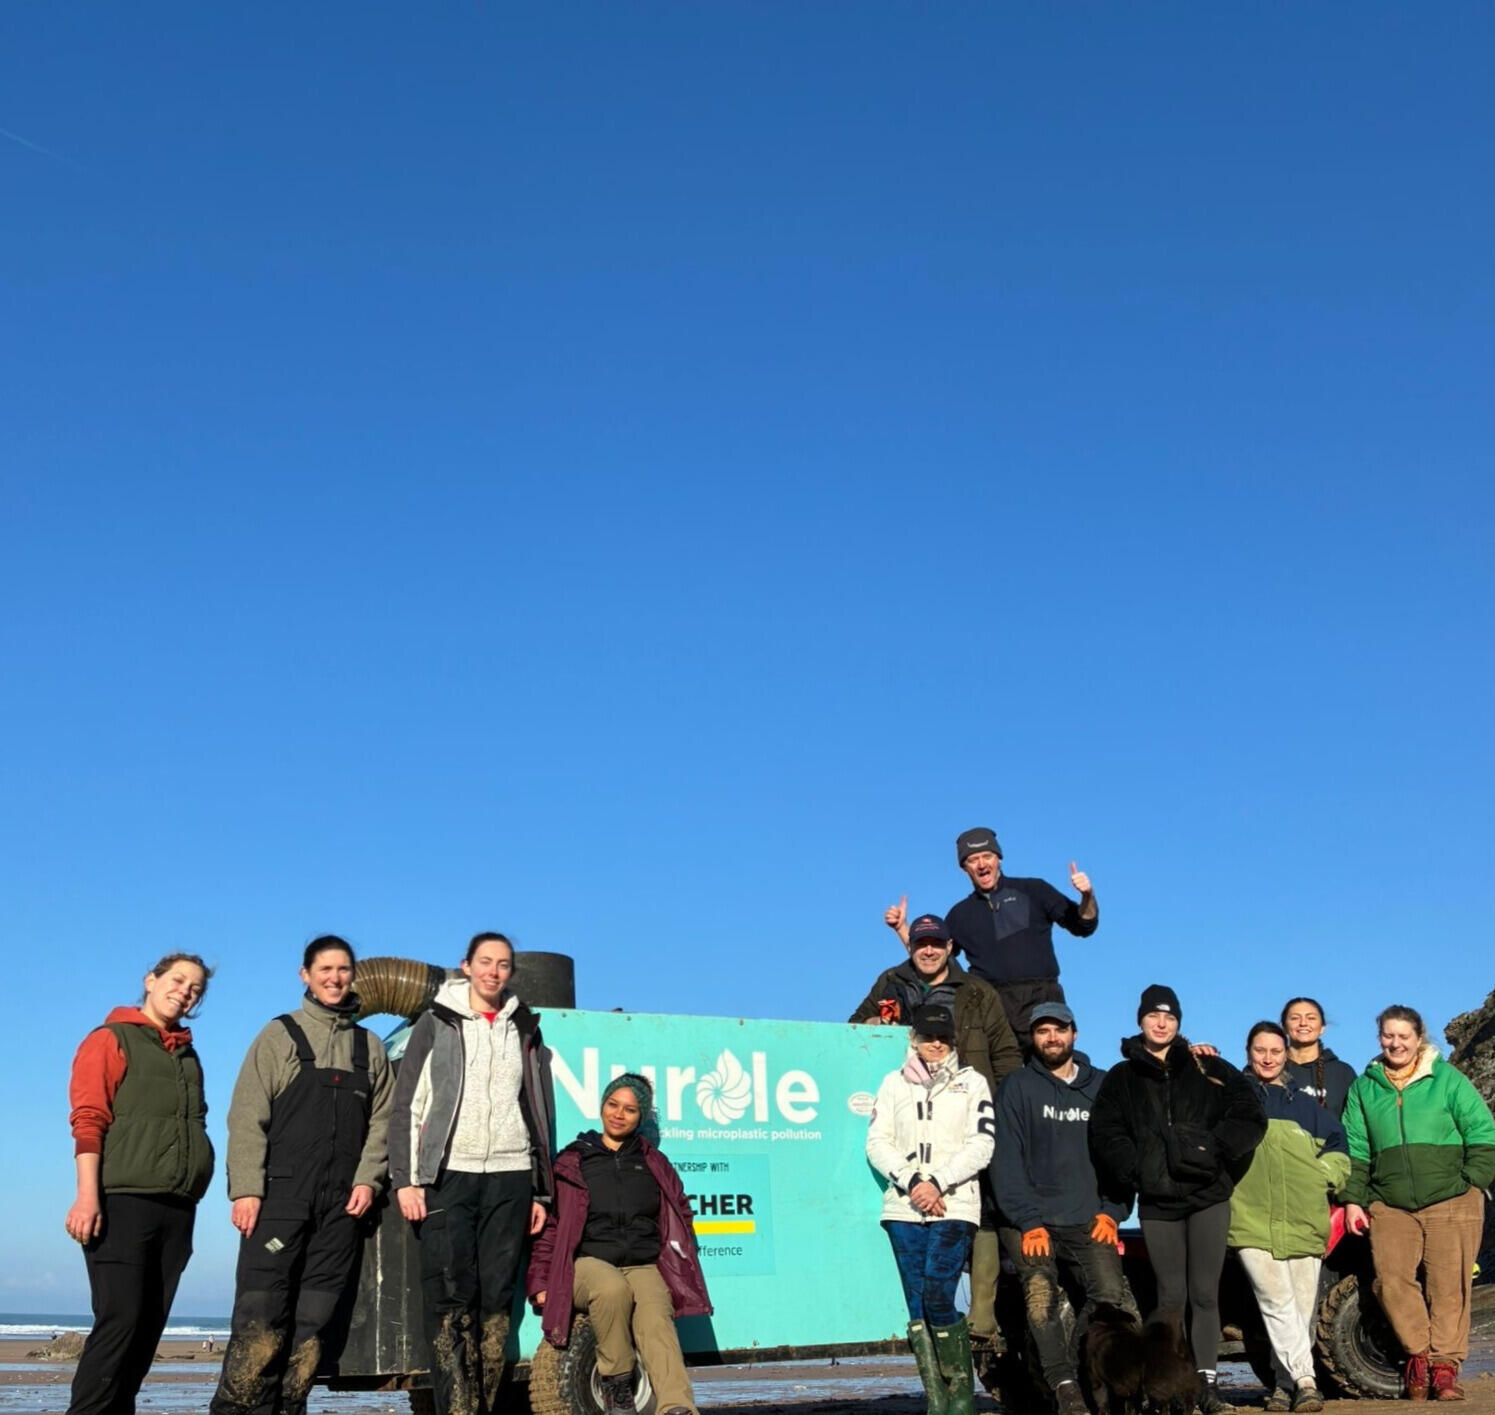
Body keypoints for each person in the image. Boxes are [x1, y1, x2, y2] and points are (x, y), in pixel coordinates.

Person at [211, 935, 394, 1415]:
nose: (335, 978)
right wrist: (247, 1189)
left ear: (353, 976)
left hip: (341, 1209)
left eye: (343, 970)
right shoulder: (279, 1036)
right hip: (278, 1202)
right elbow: (246, 1117)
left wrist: (367, 1179)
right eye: (325, 969)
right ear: (305, 975)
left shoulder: (368, 1046)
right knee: (260, 1319)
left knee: (313, 1325)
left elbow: (386, 1122)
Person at [390, 931, 556, 1415]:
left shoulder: (525, 1028)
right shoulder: (435, 1023)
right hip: (449, 1174)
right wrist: (407, 1180)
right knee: (448, 1299)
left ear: (511, 972)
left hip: (510, 1176)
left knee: (496, 1302)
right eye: (485, 962)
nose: (494, 972)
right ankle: (455, 1409)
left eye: (503, 964)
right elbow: (407, 1106)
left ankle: (483, 1406)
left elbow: (540, 1111)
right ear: (466, 966)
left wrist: (540, 1193)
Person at [850, 912, 1022, 1364]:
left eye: (937, 943)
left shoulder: (978, 992)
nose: (928, 950)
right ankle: (939, 1376)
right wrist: (869, 1025)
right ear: (911, 947)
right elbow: (850, 1029)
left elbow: (1005, 1054)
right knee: (919, 1274)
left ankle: (982, 1317)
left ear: (950, 947)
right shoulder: (889, 981)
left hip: (966, 1111)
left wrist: (1004, 1113)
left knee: (983, 1211)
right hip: (907, 1114)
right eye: (920, 943)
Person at [1089, 984, 1267, 1415]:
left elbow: (1249, 1114)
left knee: (1205, 1293)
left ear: (1179, 1022)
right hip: (1158, 1202)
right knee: (1170, 1297)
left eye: (1169, 1016)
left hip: (1208, 1196)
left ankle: (1206, 1384)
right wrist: (1139, 1170)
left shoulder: (1210, 1066)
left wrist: (1216, 1149)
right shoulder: (1121, 1077)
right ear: (1141, 1021)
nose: (1161, 1022)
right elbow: (1105, 1133)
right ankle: (1169, 1384)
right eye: (1153, 1016)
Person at [65, 953, 215, 1415]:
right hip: (121, 1201)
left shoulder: (189, 1057)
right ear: (151, 981)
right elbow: (89, 1119)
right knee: (120, 1321)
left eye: (195, 988)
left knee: (149, 1327)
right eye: (177, 980)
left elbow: (195, 1123)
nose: (184, 991)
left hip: (177, 1208)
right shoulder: (109, 1040)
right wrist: (87, 1196)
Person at [527, 1074, 711, 1415]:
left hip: (641, 1263)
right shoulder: (574, 1160)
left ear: (640, 1117)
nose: (618, 1114)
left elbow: (680, 1211)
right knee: (612, 1289)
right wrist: (539, 1282)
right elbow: (551, 1227)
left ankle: (677, 1406)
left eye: (629, 1109)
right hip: (587, 1263)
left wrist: (674, 1254)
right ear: (602, 1106)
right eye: (613, 1105)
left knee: (656, 1313)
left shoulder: (654, 1162)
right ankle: (616, 1383)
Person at [1341, 1005, 1495, 1402]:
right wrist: (1356, 1200)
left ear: (1418, 1037)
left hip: (1452, 1200)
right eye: (1388, 1036)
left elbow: (1482, 1129)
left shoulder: (1446, 1079)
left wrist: (1471, 1181)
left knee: (1448, 1286)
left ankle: (1445, 1368)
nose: (1396, 1043)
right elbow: (1356, 1149)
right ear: (1380, 1038)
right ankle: (1419, 1355)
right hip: (1389, 1203)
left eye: (1403, 1036)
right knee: (1390, 1281)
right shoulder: (1365, 1087)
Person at [991, 1002, 1132, 1415]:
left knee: (1109, 1297)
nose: (1052, 1038)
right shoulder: (1016, 1087)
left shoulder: (1103, 1086)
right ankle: (1065, 1385)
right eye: (1043, 1031)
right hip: (1031, 1221)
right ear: (1033, 1038)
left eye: (1059, 1030)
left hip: (1091, 1218)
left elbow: (1121, 1154)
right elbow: (1005, 1159)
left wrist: (1113, 1210)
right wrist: (1028, 1221)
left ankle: (1071, 1366)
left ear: (1075, 1033)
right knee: (1040, 1297)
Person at [866, 1002, 995, 1415]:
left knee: (941, 1292)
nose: (935, 1044)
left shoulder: (972, 1083)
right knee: (917, 1304)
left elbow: (983, 1144)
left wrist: (937, 1181)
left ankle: (961, 1397)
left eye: (943, 1037)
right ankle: (937, 1402)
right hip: (903, 1209)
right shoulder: (892, 1084)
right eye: (927, 1036)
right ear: (913, 1038)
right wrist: (913, 1181)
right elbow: (876, 1143)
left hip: (954, 1205)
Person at [1227, 1022, 1348, 1414]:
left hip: (1303, 1216)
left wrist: (1322, 1178)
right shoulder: (1232, 1098)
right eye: (1260, 1050)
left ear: (1286, 1055)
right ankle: (1307, 1381)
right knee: (1276, 1302)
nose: (1267, 1058)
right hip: (1251, 1219)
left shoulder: (1306, 1106)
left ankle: (1283, 1386)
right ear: (1248, 1051)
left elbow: (1338, 1147)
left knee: (1301, 1309)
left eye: (1275, 1051)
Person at [884, 827, 1098, 1046]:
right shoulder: (960, 915)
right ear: (964, 868)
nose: (982, 864)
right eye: (973, 859)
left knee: (1051, 1068)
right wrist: (902, 928)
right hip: (990, 1003)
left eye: (987, 856)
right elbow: (932, 960)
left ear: (999, 859)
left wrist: (1087, 895)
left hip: (1043, 998)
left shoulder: (1035, 890)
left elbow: (1083, 925)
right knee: (997, 1075)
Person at [1279, 999, 1357, 1115]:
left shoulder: (1343, 1073)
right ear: (1284, 1027)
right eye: (1295, 1018)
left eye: (1311, 1018)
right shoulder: (1270, 1069)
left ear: (1322, 1028)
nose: (1303, 1023)